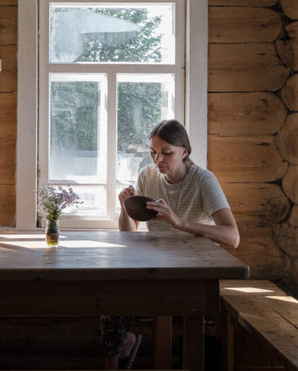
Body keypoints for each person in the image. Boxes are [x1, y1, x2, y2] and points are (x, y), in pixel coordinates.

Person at [102, 119, 239, 369]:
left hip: (194, 268)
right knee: (109, 291)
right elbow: (129, 233)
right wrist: (125, 208)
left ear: (184, 152)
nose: (158, 160)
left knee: (171, 302)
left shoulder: (203, 180)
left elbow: (233, 237)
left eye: (166, 153)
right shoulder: (147, 175)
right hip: (155, 264)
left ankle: (142, 349)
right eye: (153, 152)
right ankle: (120, 351)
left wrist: (180, 223)